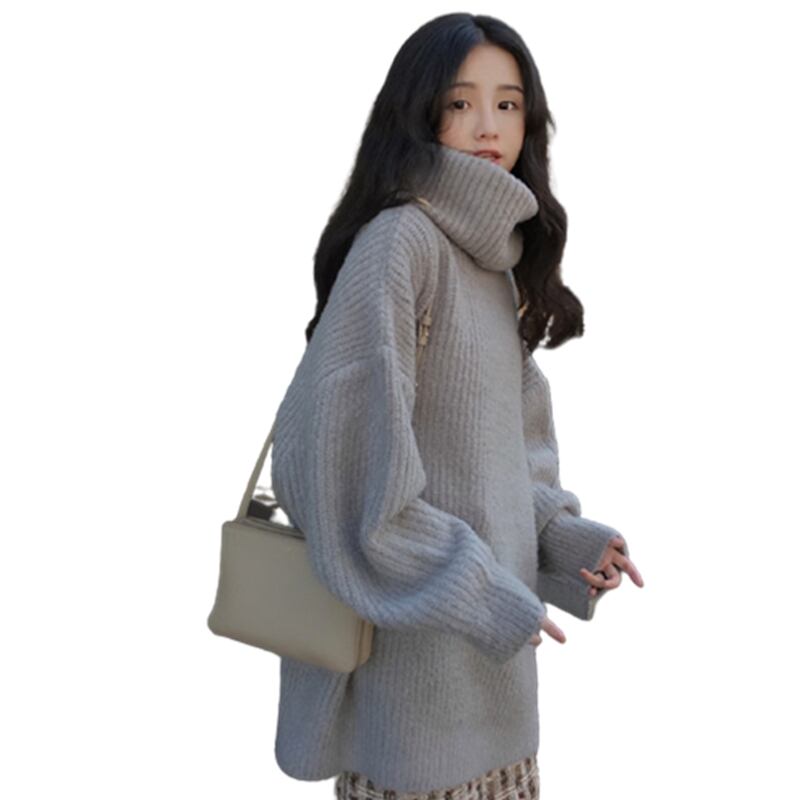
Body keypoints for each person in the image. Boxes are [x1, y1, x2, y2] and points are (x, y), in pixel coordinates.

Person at [269, 12, 644, 799]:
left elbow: (509, 459)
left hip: (497, 691)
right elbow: (338, 475)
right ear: (419, 113)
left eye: (508, 105)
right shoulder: (400, 244)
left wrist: (567, 542)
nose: (487, 126)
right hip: (411, 694)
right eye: (460, 102)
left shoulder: (494, 266)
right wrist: (482, 591)